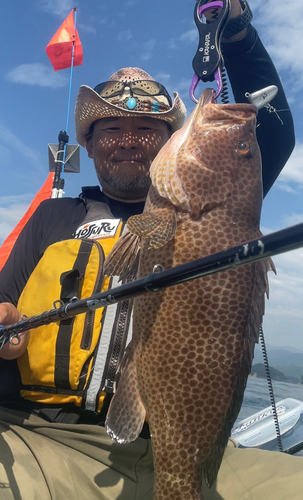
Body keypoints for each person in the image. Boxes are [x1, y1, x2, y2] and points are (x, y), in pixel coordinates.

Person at [0, 1, 301, 499]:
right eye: (111, 130)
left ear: (168, 142)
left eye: (146, 130)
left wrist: (237, 33)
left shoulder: (217, 212)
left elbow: (273, 129)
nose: (127, 140)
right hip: (47, 438)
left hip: (188, 445)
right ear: (91, 146)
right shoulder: (54, 218)